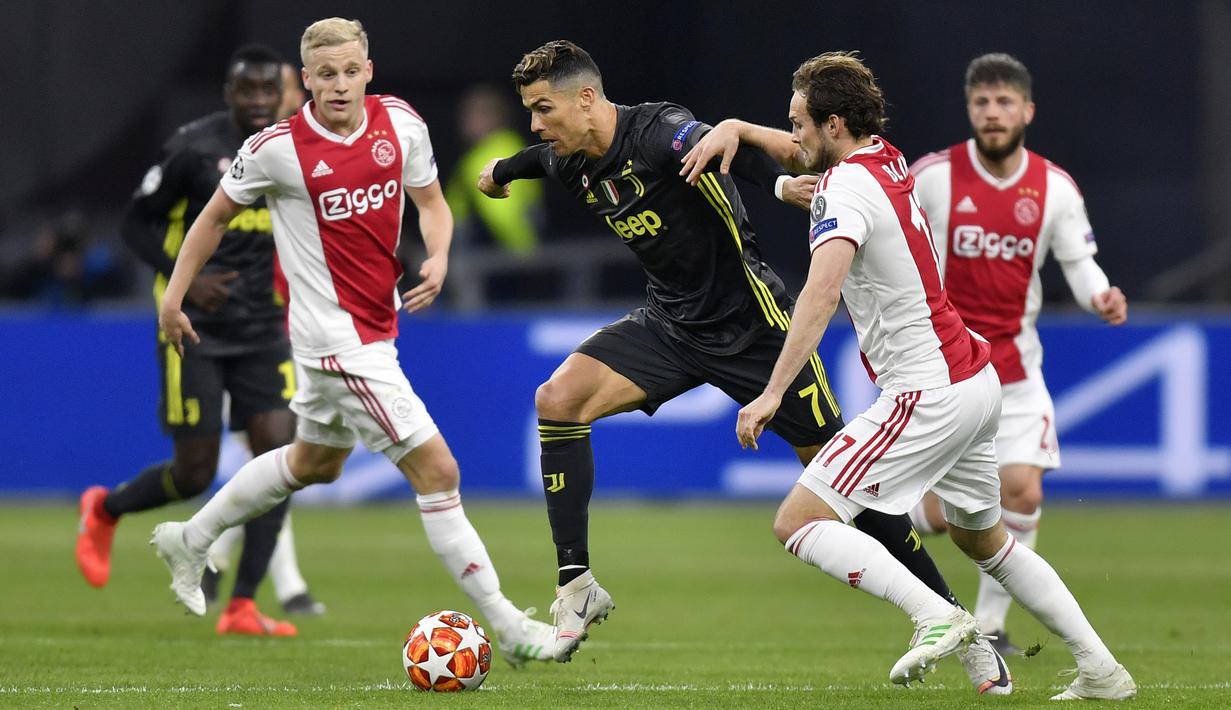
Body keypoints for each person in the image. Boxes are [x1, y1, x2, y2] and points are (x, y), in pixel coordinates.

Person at [477, 41, 991, 686]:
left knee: (848, 492)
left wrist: (779, 183)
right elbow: (533, 161)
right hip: (669, 326)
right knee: (557, 400)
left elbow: (736, 152)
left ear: (586, 99)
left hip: (755, 329)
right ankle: (575, 583)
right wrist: (498, 172)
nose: (536, 123)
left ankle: (957, 627)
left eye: (542, 108)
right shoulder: (570, 159)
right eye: (530, 111)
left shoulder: (658, 128)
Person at [689, 51, 1134, 700]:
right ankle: (1102, 670)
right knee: (986, 543)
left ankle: (936, 617)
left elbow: (820, 294)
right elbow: (797, 158)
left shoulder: (844, 189)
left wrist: (773, 391)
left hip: (926, 391)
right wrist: (740, 129)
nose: (793, 134)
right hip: (976, 380)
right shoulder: (885, 159)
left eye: (799, 122)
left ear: (834, 124)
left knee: (798, 521)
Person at [148, 17, 554, 667]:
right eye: (324, 75)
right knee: (439, 472)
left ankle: (189, 537)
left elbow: (430, 202)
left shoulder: (401, 125)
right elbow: (212, 218)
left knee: (313, 463)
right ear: (304, 81)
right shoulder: (277, 148)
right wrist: (173, 297)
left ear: (368, 70)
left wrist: (441, 257)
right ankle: (506, 624)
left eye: (349, 71)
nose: (338, 85)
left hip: (375, 329)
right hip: (334, 342)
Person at [76, 44, 304, 637]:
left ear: (280, 94)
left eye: (266, 91)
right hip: (191, 329)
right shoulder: (192, 148)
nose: (257, 101)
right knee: (196, 472)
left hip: (263, 329)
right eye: (246, 91)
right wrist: (188, 277)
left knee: (280, 458)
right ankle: (105, 509)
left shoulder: (293, 147)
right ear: (229, 94)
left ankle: (243, 605)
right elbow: (133, 223)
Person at [905, 53, 1128, 655]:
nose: (993, 113)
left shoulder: (1053, 188)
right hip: (946, 371)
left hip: (1018, 372)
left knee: (1023, 490)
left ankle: (992, 623)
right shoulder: (933, 177)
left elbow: (1079, 264)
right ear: (969, 109)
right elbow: (892, 237)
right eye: (982, 102)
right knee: (946, 515)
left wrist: (1099, 295)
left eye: (1004, 102)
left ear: (1026, 110)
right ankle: (888, 522)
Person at [202, 59, 326, 618]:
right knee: (277, 456)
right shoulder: (254, 154)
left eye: (285, 86)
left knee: (275, 458)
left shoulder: (306, 149)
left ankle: (211, 554)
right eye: (284, 86)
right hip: (253, 327)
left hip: (294, 320)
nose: (286, 96)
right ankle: (283, 585)